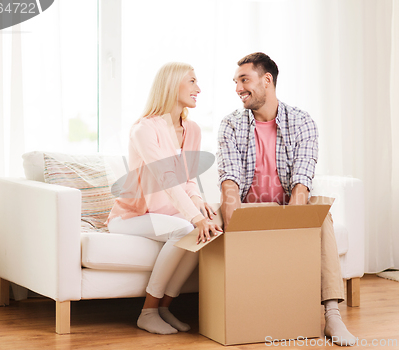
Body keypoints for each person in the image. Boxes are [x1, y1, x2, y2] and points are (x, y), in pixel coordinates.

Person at [217, 52, 357, 347]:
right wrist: (235, 219)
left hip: (285, 209)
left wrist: (292, 226)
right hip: (248, 210)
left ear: (267, 80)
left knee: (321, 213)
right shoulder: (231, 125)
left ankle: (332, 315)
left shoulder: (302, 122)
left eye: (244, 80)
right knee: (216, 213)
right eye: (236, 82)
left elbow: (302, 183)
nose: (238, 88)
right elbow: (229, 181)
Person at [106, 62, 222, 335]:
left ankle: (165, 308)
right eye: (192, 81)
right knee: (186, 228)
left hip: (167, 213)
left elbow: (188, 179)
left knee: (206, 232)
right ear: (172, 84)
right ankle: (147, 311)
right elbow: (166, 179)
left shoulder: (191, 129)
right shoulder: (144, 129)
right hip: (130, 216)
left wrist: (199, 204)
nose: (199, 89)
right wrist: (194, 217)